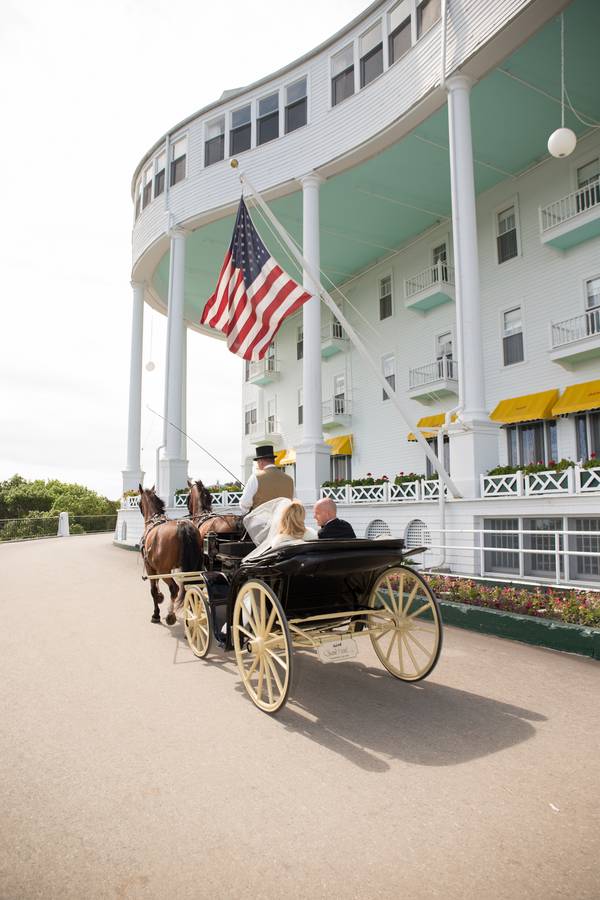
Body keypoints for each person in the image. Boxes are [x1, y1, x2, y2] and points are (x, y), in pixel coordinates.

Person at [238, 445, 294, 516]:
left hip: (261, 520)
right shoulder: (289, 479)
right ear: (273, 461)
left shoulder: (256, 477)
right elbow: (294, 501)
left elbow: (244, 503)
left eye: (257, 463)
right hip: (284, 519)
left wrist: (246, 512)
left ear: (261, 462)